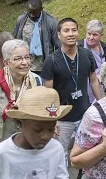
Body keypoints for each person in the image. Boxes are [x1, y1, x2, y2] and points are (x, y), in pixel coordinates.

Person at [41, 18, 101, 163]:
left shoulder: (87, 55)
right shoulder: (52, 60)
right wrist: (52, 119)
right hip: (63, 118)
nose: (70, 34)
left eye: (74, 30)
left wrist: (101, 102)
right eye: (66, 30)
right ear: (59, 35)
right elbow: (48, 92)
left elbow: (93, 79)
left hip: (84, 114)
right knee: (60, 154)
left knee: (86, 151)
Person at [13, 0, 60, 72]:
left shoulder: (51, 22)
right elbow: (14, 41)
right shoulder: (21, 20)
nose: (31, 15)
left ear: (41, 9)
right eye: (30, 12)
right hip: (24, 67)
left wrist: (53, 63)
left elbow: (59, 46)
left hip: (44, 67)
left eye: (34, 13)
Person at [79, 19, 106, 102]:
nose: (91, 37)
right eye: (89, 34)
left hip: (98, 94)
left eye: (95, 35)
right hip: (81, 96)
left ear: (101, 36)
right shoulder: (78, 48)